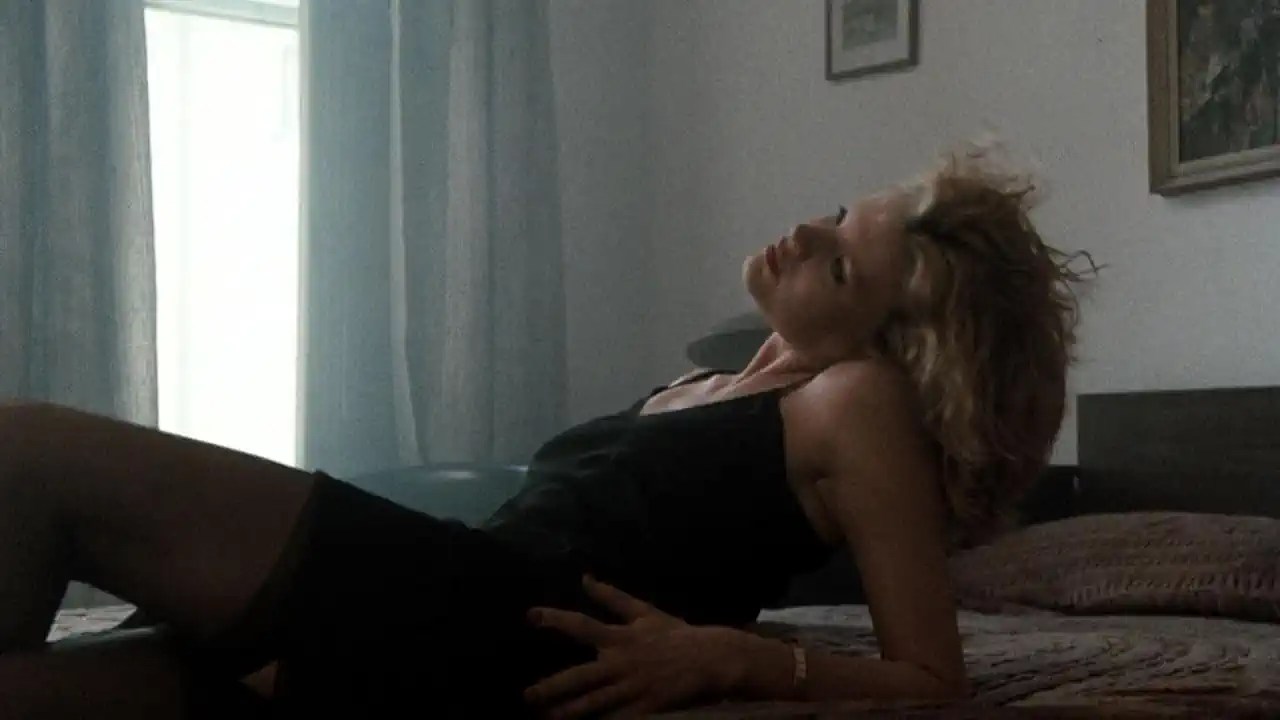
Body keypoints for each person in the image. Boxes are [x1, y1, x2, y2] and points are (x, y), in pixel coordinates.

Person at [0, 144, 1091, 718]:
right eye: (840, 215)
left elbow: (931, 678)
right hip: (447, 602)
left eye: (840, 263)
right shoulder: (718, 378)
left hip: (497, 638)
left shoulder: (857, 402)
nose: (805, 230)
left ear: (897, 349)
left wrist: (736, 658)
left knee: (26, 448)